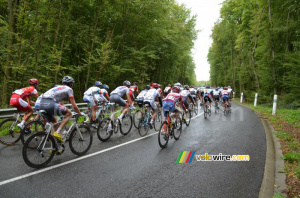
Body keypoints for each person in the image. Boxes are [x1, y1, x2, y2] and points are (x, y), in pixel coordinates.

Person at [39, 76, 82, 142]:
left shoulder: (57, 88)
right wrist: (79, 113)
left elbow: (61, 103)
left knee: (54, 126)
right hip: (50, 103)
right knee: (69, 114)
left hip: (41, 104)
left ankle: (53, 148)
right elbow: (74, 106)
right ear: (71, 84)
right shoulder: (69, 89)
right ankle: (58, 132)